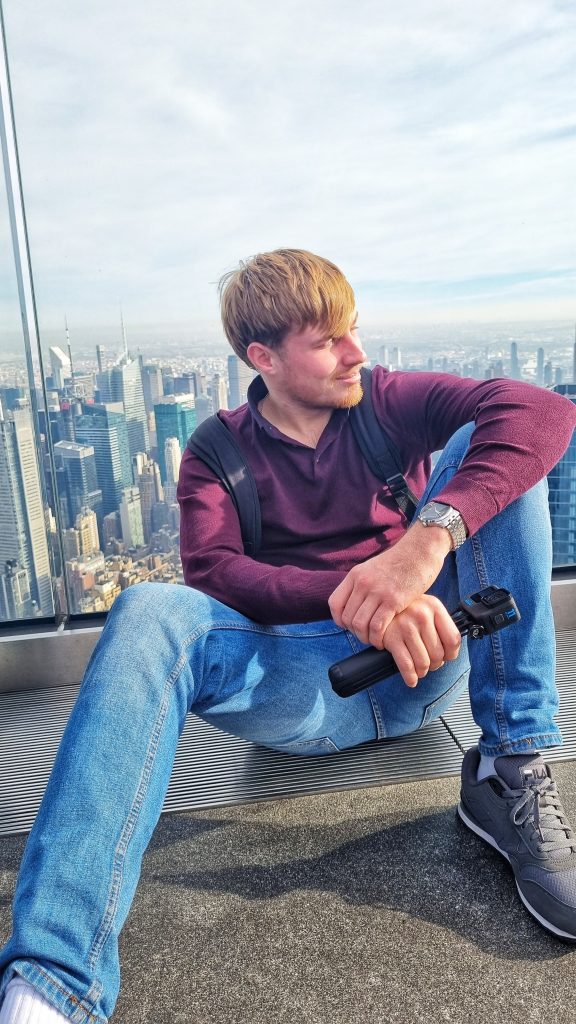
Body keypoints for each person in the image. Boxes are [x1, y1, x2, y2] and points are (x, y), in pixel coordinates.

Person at [1, 248, 576, 1024]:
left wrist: (419, 551)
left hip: (426, 656)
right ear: (261, 357)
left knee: (501, 446)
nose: (356, 353)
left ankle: (510, 766)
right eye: (329, 340)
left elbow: (542, 409)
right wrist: (358, 597)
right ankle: (51, 986)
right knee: (147, 609)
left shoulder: (383, 400)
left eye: (354, 330)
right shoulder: (216, 449)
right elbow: (215, 572)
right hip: (302, 689)